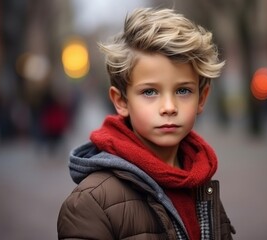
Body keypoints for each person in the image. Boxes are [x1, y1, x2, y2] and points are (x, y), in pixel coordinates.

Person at [57, 7, 236, 240]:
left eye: (183, 90)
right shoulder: (90, 203)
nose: (169, 107)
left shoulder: (201, 183)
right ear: (121, 101)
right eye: (150, 92)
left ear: (201, 98)